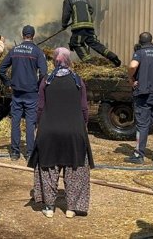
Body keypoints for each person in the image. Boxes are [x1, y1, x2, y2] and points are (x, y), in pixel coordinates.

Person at [29, 47, 94, 219]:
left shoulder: (46, 81)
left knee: (48, 169)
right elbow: (84, 108)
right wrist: (83, 125)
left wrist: (38, 125)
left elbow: (40, 108)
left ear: (54, 61)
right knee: (75, 169)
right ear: (69, 60)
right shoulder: (78, 81)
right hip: (74, 131)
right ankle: (71, 208)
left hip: (49, 132)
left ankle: (49, 207)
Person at [0, 25, 47, 160]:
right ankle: (30, 153)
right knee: (30, 123)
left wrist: (8, 84)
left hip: (16, 93)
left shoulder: (14, 50)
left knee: (15, 122)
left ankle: (14, 153)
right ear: (33, 36)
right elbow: (44, 73)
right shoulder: (37, 52)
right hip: (31, 93)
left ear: (22, 35)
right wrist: (38, 86)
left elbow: (1, 69)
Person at [124, 32, 153, 164]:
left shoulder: (140, 53)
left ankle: (138, 155)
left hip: (143, 93)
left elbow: (132, 66)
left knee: (142, 125)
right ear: (151, 41)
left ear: (140, 41)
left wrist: (131, 78)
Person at [61, 0, 121, 67]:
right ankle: (112, 56)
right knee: (94, 43)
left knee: (76, 43)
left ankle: (90, 63)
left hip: (79, 27)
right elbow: (91, 10)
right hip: (89, 26)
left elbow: (66, 14)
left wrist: (64, 25)